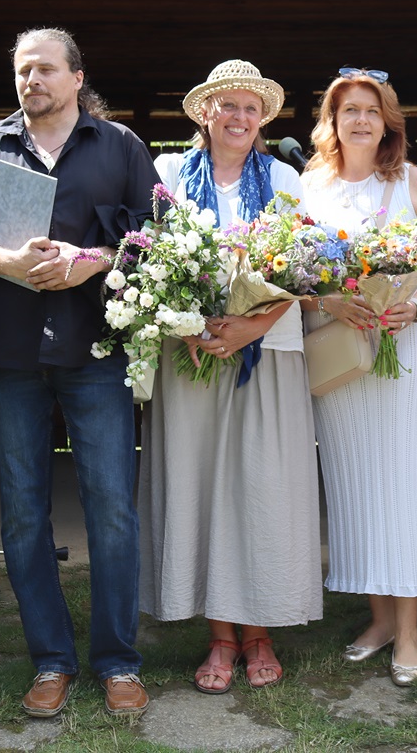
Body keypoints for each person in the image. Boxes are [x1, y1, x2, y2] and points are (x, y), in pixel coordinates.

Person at [0, 27, 161, 719]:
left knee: (112, 508)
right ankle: (52, 660)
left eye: (46, 69)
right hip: (11, 353)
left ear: (77, 77)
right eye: (23, 71)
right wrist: (3, 261)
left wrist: (91, 262)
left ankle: (118, 662)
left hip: (96, 352)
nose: (33, 80)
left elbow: (157, 236)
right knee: (25, 514)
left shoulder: (120, 146)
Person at [139, 60, 321, 693]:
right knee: (201, 488)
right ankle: (220, 634)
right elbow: (147, 259)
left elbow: (303, 270)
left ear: (262, 118)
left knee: (264, 489)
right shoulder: (167, 174)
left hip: (268, 352)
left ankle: (260, 631)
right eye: (227, 105)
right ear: (204, 113)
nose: (239, 117)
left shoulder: (285, 178)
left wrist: (251, 327)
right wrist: (188, 324)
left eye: (250, 107)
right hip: (189, 353)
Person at [300, 68, 417, 687]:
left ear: (387, 121)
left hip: (407, 346)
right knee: (352, 483)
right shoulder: (310, 187)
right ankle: (379, 619)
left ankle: (409, 631)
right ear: (333, 123)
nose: (361, 120)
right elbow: (289, 275)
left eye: (371, 110)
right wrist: (328, 301)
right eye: (349, 111)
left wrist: (412, 305)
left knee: (399, 484)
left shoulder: (413, 181)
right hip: (339, 348)